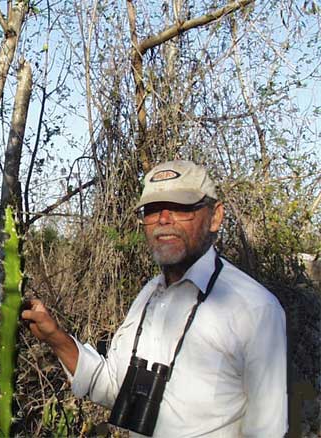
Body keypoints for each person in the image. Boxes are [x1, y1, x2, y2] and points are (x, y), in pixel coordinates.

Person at [21, 160, 288, 437]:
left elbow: (267, 429)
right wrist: (56, 338)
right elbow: (112, 387)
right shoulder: (149, 295)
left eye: (181, 207)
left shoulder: (255, 309)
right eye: (151, 210)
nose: (163, 219)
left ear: (215, 216)